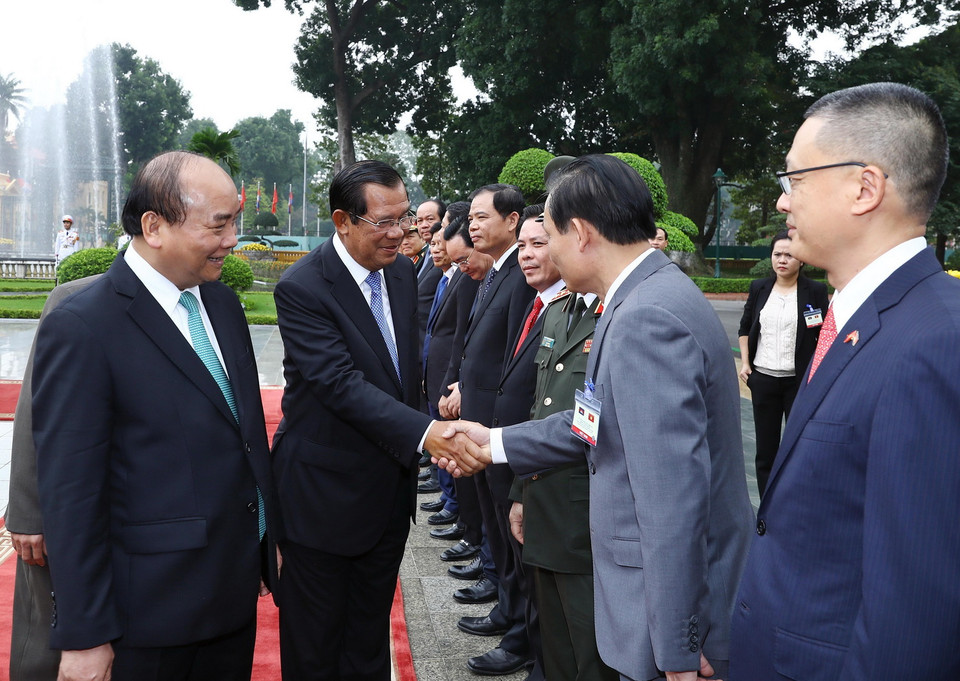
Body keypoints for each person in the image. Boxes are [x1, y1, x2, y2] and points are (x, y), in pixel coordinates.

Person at [438, 154, 754, 681]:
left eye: (550, 238)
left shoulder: (645, 316)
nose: (545, 253)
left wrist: (678, 642)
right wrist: (493, 442)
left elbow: (671, 494)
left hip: (663, 613)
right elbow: (593, 423)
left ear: (580, 233)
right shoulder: (637, 297)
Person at [729, 83, 960, 680]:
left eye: (795, 181)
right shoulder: (859, 317)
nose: (783, 203)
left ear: (865, 188)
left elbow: (912, 616)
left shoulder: (934, 343)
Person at [32, 151, 280, 681]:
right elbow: (71, 494)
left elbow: (244, 437)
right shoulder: (84, 326)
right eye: (219, 224)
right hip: (145, 615)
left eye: (234, 221)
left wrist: (263, 544)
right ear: (154, 226)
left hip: (230, 595)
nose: (233, 239)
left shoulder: (221, 306)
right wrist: (85, 633)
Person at [270, 160, 477, 681]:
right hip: (323, 500)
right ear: (343, 221)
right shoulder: (303, 288)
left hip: (387, 495)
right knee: (316, 648)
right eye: (382, 222)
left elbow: (404, 375)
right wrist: (430, 436)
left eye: (404, 219)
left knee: (367, 642)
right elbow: (340, 384)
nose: (399, 233)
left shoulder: (402, 274)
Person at [506, 283, 614, 681]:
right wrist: (521, 492)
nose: (540, 252)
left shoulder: (616, 313)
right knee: (554, 648)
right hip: (543, 499)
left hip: (584, 511)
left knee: (589, 649)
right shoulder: (556, 310)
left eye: (548, 239)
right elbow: (540, 406)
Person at [453, 183, 538, 676]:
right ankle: (508, 612)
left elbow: (514, 365)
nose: (473, 226)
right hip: (483, 427)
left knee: (514, 533)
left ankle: (520, 632)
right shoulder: (493, 274)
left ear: (512, 220)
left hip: (502, 430)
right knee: (498, 528)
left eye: (483, 217)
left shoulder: (520, 278)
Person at [6, 275, 100, 681]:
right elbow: (32, 410)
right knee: (45, 637)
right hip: (64, 505)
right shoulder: (74, 296)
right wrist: (27, 513)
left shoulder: (209, 302)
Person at [737, 230, 829, 496]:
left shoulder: (815, 290)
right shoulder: (759, 288)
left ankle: (794, 498)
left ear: (801, 259)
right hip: (763, 380)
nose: (782, 260)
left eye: (789, 255)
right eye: (777, 254)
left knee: (799, 445)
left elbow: (823, 334)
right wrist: (746, 365)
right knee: (765, 450)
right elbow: (745, 329)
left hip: (798, 382)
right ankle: (767, 505)